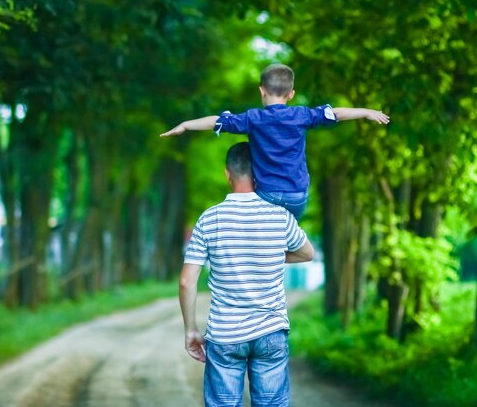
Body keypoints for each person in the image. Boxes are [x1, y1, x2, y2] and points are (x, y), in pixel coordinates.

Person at [179, 141, 314, 407]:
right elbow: (307, 253)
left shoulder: (209, 219)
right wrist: (273, 255)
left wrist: (191, 330)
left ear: (227, 174)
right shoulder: (280, 216)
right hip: (271, 331)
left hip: (225, 334)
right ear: (260, 172)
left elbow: (186, 281)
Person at [160, 63, 390, 220]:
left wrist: (186, 125)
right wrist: (367, 111)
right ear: (291, 94)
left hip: (267, 195)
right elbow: (336, 113)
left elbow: (216, 121)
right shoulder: (301, 115)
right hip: (297, 195)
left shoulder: (253, 118)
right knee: (283, 238)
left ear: (262, 90)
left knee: (258, 231)